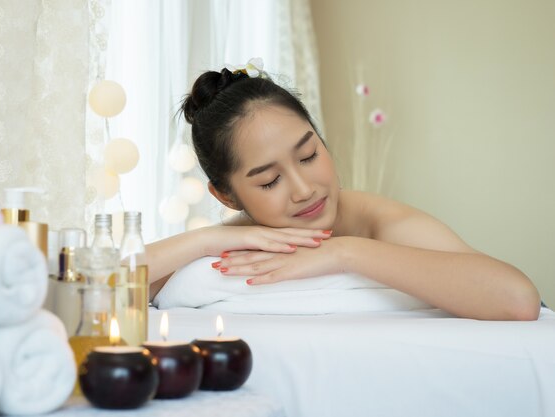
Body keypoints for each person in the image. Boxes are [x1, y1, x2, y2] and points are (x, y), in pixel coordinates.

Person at [146, 60, 541, 321]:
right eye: (269, 181)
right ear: (226, 196)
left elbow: (518, 299)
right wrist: (205, 240)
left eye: (308, 155)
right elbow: (95, 287)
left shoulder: (380, 222)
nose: (304, 189)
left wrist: (344, 252)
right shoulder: (240, 239)